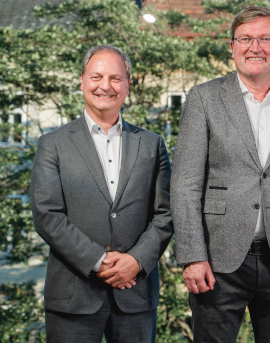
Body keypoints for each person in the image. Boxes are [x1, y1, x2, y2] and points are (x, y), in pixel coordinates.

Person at [170, 6, 270, 342]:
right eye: (245, 39)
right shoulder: (204, 99)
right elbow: (185, 185)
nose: (255, 47)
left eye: (265, 38)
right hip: (217, 262)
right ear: (232, 46)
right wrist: (193, 256)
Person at [30, 44, 173, 342]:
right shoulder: (52, 144)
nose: (105, 86)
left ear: (127, 85)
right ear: (82, 81)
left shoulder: (152, 144)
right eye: (96, 77)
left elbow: (166, 213)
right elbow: (47, 215)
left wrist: (136, 261)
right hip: (73, 296)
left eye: (115, 78)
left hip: (136, 294)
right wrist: (98, 260)